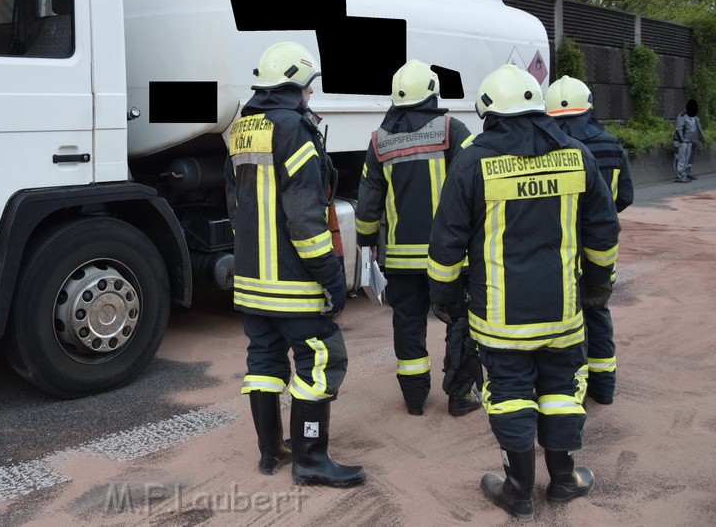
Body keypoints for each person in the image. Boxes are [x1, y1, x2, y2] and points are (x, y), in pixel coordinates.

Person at [427, 64, 620, 520]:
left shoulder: (472, 162)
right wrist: (596, 285)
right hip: (564, 311)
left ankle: (517, 488)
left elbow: (446, 243)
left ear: (488, 113)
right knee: (560, 390)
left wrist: (446, 299)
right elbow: (604, 233)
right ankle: (564, 481)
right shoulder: (578, 155)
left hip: (499, 315)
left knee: (510, 392)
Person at [225, 41, 365, 488]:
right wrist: (331, 276)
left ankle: (271, 452)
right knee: (321, 360)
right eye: (310, 88)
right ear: (298, 85)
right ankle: (311, 459)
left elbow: (234, 207)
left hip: (250, 281)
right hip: (294, 282)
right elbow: (306, 218)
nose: (311, 96)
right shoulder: (295, 131)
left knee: (263, 361)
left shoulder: (241, 129)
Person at [356, 59, 481, 417]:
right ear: (432, 92)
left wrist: (367, 242)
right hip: (450, 256)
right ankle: (460, 396)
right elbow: (477, 182)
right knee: (459, 321)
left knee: (407, 324)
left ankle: (414, 398)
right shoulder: (453, 130)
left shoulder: (380, 141)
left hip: (400, 260)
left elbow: (368, 201)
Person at [546, 76, 634, 404]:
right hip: (601, 250)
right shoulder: (611, 144)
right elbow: (625, 196)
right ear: (589, 105)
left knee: (565, 323)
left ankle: (571, 393)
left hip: (559, 252)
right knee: (597, 313)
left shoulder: (549, 149)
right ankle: (604, 388)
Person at [674, 99, 705, 183]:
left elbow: (696, 128)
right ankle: (679, 176)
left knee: (687, 159)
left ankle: (684, 175)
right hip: (682, 141)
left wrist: (700, 138)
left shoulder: (693, 117)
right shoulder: (682, 116)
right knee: (681, 158)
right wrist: (682, 141)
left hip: (689, 141)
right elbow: (678, 129)